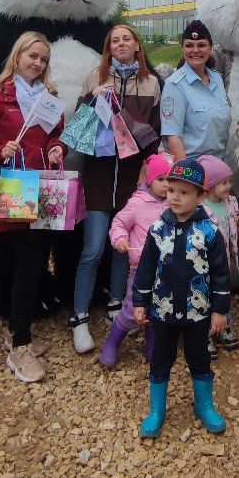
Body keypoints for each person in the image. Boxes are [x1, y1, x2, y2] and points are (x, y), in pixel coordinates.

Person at [0, 31, 66, 385]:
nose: (38, 64)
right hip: (15, 186)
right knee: (26, 263)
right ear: (18, 55)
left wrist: (58, 148)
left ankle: (16, 329)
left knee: (37, 262)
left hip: (45, 185)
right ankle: (20, 345)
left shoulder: (49, 97)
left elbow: (56, 134)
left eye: (43, 59)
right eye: (33, 56)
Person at [68, 24, 162, 355]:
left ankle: (116, 301)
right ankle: (79, 315)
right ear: (109, 47)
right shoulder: (96, 76)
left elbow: (155, 133)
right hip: (98, 175)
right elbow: (77, 128)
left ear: (137, 44)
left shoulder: (151, 82)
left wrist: (147, 175)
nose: (121, 43)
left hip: (130, 179)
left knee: (124, 245)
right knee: (93, 247)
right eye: (114, 40)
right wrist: (93, 101)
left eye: (127, 38)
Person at [132, 159, 231, 439]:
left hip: (197, 312)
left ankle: (204, 405)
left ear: (201, 197)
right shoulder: (156, 230)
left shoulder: (209, 233)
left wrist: (220, 310)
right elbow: (145, 269)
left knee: (199, 358)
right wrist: (140, 302)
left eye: (184, 193)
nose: (175, 196)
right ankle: (157, 410)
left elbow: (221, 274)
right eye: (171, 189)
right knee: (161, 358)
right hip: (163, 311)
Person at [100, 154, 173, 367]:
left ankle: (152, 345)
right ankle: (113, 342)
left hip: (167, 269)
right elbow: (119, 223)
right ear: (150, 179)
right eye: (160, 179)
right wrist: (120, 239)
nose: (166, 185)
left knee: (158, 308)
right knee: (133, 309)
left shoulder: (174, 204)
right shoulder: (137, 203)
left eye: (170, 179)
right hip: (141, 268)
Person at [161, 20, 231, 162]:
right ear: (182, 49)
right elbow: (173, 137)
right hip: (194, 169)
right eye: (189, 45)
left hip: (220, 168)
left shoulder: (217, 78)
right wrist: (188, 177)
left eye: (201, 45)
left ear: (210, 48)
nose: (195, 50)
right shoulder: (174, 85)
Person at [199, 154, 239, 353]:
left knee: (223, 294)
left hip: (224, 260)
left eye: (229, 181)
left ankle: (225, 327)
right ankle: (206, 334)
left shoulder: (231, 202)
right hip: (204, 263)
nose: (228, 186)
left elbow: (233, 226)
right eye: (223, 182)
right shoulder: (200, 208)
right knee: (205, 297)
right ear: (209, 185)